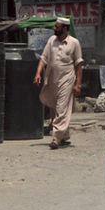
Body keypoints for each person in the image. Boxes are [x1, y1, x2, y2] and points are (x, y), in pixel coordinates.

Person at [33, 16, 84, 149]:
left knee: (61, 108)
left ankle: (56, 138)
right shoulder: (51, 40)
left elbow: (79, 65)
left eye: (57, 27)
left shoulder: (74, 43)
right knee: (54, 108)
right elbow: (43, 58)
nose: (54, 29)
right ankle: (64, 135)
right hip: (52, 80)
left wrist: (78, 84)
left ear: (65, 28)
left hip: (67, 80)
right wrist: (38, 73)